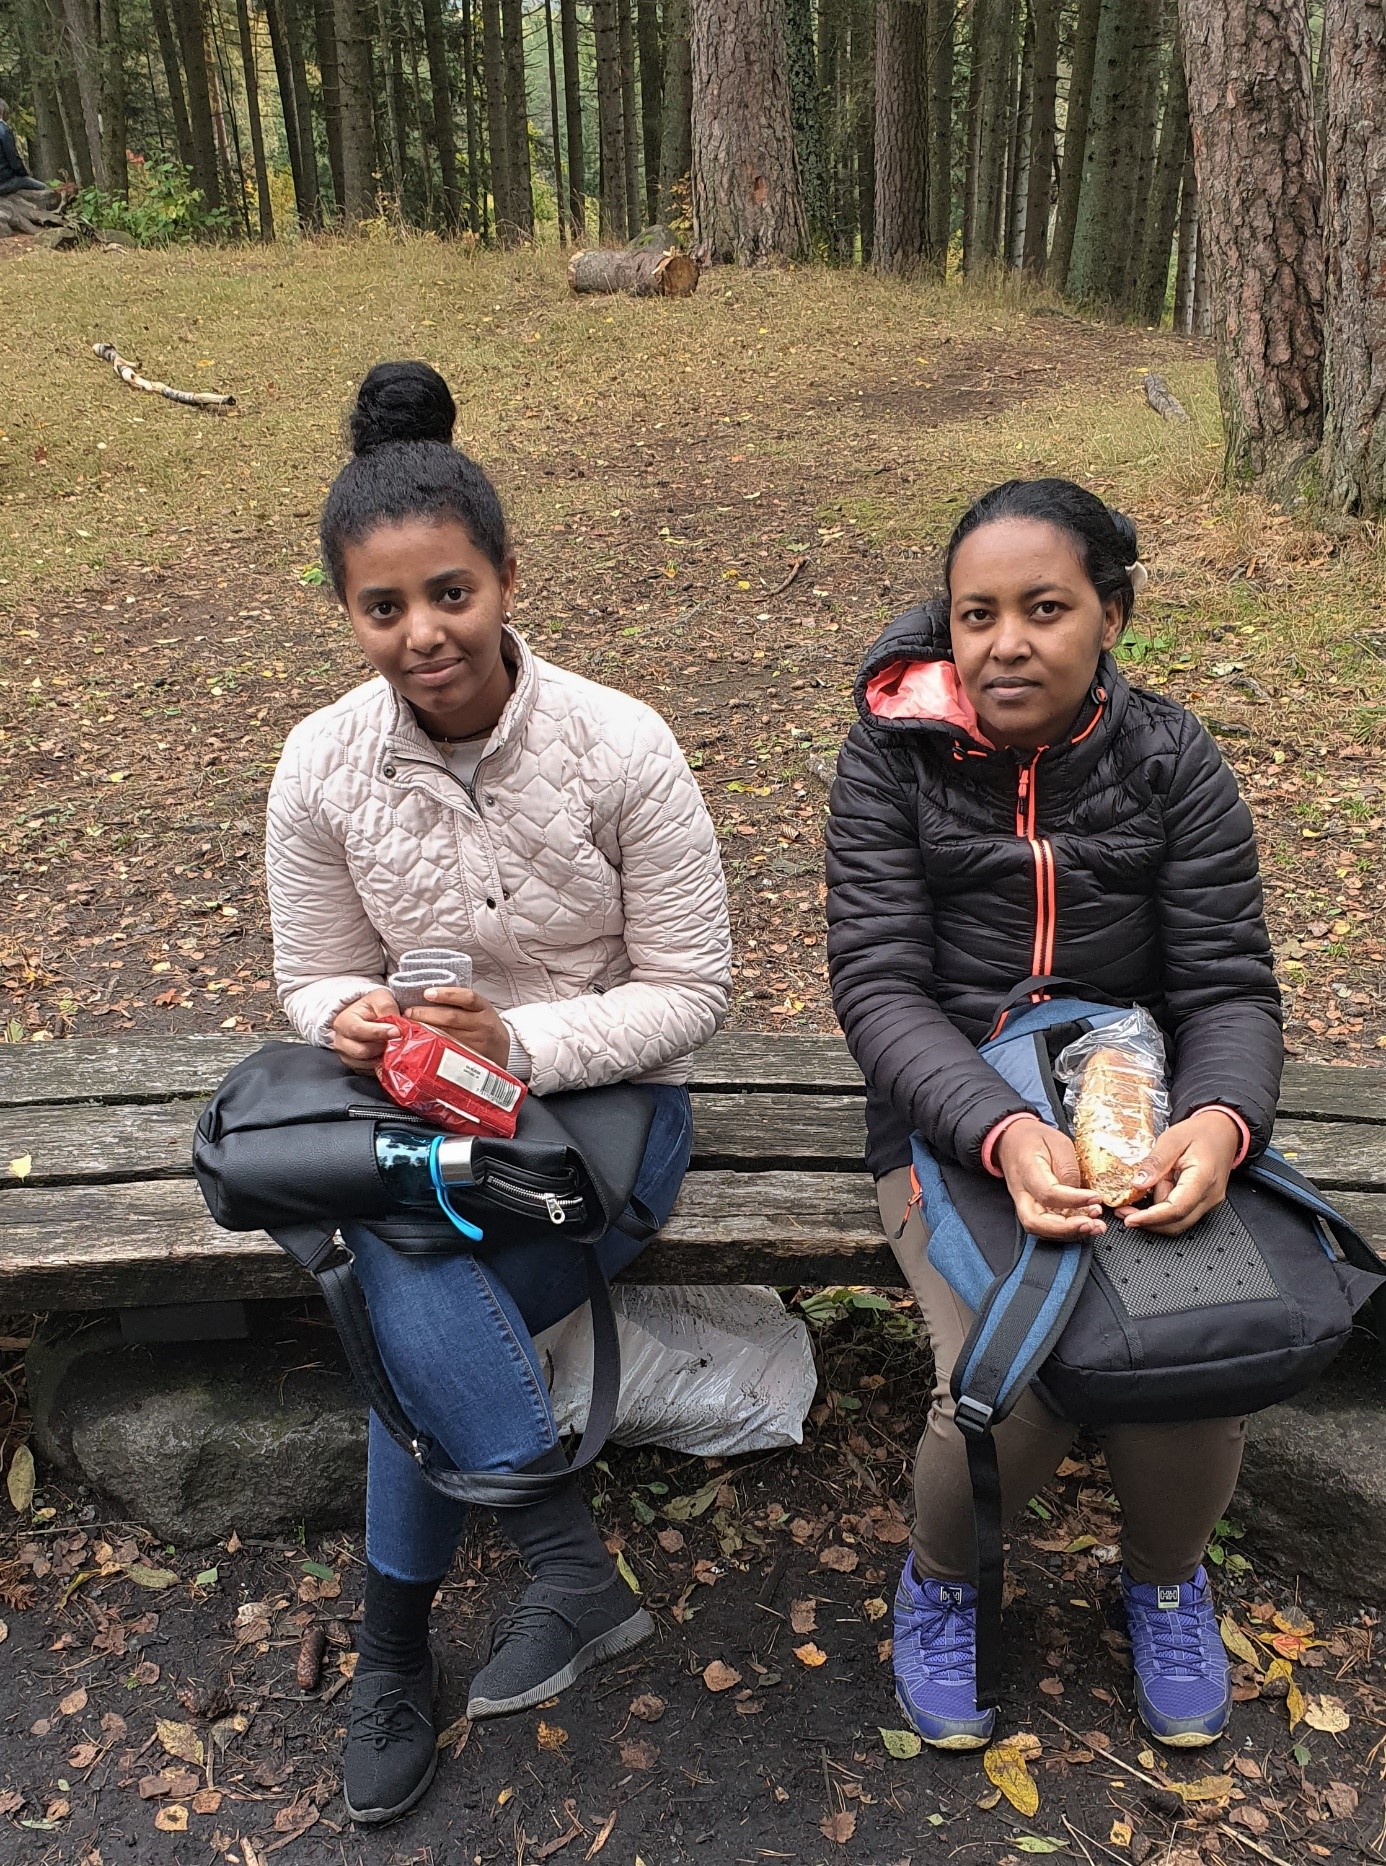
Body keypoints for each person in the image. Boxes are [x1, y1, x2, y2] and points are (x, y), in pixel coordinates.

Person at [266, 360, 731, 1824]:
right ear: (349, 612)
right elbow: (307, 972)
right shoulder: (320, 762)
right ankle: (562, 1568)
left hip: (600, 1115)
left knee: (397, 1295)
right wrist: (359, 1017)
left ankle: (399, 1645)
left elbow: (692, 987)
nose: (423, 634)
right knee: (412, 1260)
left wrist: (517, 1043)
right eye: (384, 608)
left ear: (507, 578)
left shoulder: (622, 741)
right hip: (418, 1122)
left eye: (450, 594)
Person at [826, 478, 1281, 1753]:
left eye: (1044, 608)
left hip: (1140, 1094)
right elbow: (877, 983)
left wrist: (1225, 1122)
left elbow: (1229, 985)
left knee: (1192, 1353)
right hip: (948, 1112)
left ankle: (1166, 1579)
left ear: (1112, 616)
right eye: (977, 614)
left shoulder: (1172, 761)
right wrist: (1000, 1130)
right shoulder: (892, 752)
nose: (1005, 643)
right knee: (1008, 1375)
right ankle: (944, 1581)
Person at [0, 99, 49, 197]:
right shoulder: (4, 131)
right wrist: (23, 174)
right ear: (2, 111)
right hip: (4, 181)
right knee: (44, 188)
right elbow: (13, 159)